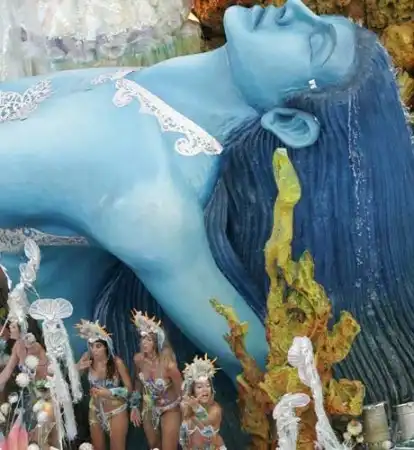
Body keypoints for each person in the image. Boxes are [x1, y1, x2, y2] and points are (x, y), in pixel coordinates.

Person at [76, 319, 132, 450]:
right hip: (95, 411)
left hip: (116, 411)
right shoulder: (87, 358)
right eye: (91, 346)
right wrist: (77, 368)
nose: (94, 350)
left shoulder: (117, 363)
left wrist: (109, 392)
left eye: (98, 346)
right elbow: (73, 379)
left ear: (106, 346)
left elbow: (129, 390)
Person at [130, 310, 182, 450]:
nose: (144, 343)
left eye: (149, 339)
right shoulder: (138, 360)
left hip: (170, 408)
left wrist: (188, 417)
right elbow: (138, 382)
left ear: (157, 342)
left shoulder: (168, 365)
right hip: (150, 408)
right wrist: (134, 405)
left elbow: (182, 392)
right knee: (154, 446)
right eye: (143, 338)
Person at [179, 355, 225, 450]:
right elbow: (185, 438)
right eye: (199, 387)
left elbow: (206, 422)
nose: (205, 390)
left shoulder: (216, 410)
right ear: (193, 391)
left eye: (208, 386)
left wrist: (197, 408)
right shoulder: (184, 406)